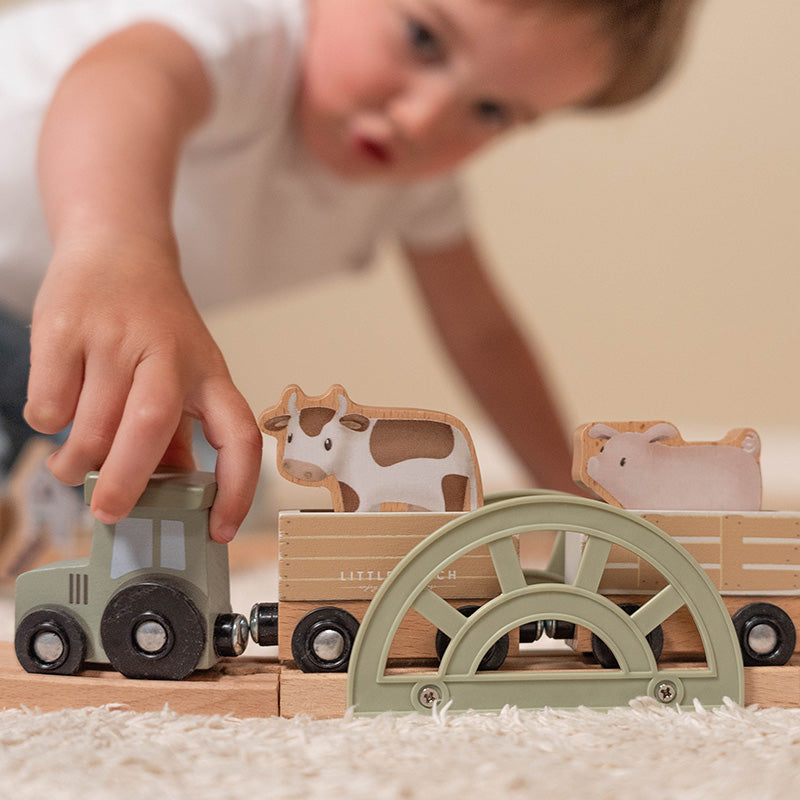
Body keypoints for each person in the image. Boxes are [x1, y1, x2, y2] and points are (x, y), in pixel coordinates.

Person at [0, 0, 695, 542]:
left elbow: (483, 336)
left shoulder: (410, 183)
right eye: (425, 39)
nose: (422, 120)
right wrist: (118, 249)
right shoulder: (245, 31)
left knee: (203, 481)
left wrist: (571, 500)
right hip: (46, 297)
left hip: (34, 337)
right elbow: (123, 81)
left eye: (490, 111)